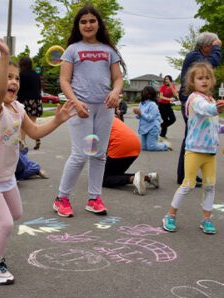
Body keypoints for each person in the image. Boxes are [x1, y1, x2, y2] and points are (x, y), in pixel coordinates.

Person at [0, 30, 74, 285]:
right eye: (7, 77)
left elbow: (35, 131)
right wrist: (4, 53)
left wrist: (58, 120)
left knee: (14, 214)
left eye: (16, 78)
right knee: (7, 224)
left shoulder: (17, 108)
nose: (14, 82)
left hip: (6, 176)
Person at [53, 4, 124, 217]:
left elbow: (118, 78)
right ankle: (61, 198)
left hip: (104, 108)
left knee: (100, 155)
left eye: (92, 20)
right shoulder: (72, 50)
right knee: (80, 154)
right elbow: (64, 81)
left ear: (98, 24)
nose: (88, 24)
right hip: (80, 107)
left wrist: (115, 92)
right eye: (83, 21)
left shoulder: (109, 50)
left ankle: (94, 198)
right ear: (78, 25)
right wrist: (75, 102)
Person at [162, 62, 224, 234]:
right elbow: (207, 110)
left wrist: (222, 127)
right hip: (195, 150)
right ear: (192, 82)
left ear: (212, 81)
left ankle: (206, 219)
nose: (204, 81)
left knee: (210, 186)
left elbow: (213, 125)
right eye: (200, 78)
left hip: (210, 152)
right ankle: (170, 215)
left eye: (207, 78)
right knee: (187, 184)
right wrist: (216, 108)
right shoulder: (195, 99)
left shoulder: (210, 99)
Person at [177, 32, 222, 184]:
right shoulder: (195, 56)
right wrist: (217, 48)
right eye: (212, 46)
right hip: (192, 100)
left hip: (192, 99)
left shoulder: (195, 55)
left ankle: (185, 174)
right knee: (190, 136)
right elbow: (212, 62)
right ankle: (185, 175)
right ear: (206, 46)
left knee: (189, 135)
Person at [103, 116, 159, 195]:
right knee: (115, 175)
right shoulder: (110, 117)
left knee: (104, 179)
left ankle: (133, 179)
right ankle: (148, 177)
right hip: (134, 146)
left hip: (120, 146)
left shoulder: (96, 120)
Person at [133, 86, 172, 152]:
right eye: (143, 92)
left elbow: (151, 118)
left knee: (151, 147)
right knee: (144, 147)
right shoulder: (141, 103)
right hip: (144, 128)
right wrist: (137, 113)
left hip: (153, 128)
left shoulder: (153, 105)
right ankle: (156, 142)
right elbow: (139, 117)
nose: (143, 93)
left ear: (150, 94)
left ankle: (165, 145)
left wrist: (141, 113)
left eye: (145, 92)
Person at [17, 56, 42, 150]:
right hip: (36, 100)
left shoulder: (21, 74)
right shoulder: (36, 74)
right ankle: (37, 139)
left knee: (23, 123)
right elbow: (39, 87)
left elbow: (19, 89)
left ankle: (23, 143)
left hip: (25, 100)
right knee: (33, 122)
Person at [158, 75, 178, 139]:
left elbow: (175, 95)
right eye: (165, 79)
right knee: (165, 120)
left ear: (170, 80)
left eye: (168, 79)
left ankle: (162, 125)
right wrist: (169, 99)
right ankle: (162, 135)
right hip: (161, 105)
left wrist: (171, 86)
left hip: (168, 105)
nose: (166, 80)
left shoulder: (173, 86)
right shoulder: (163, 87)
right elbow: (161, 96)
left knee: (173, 119)